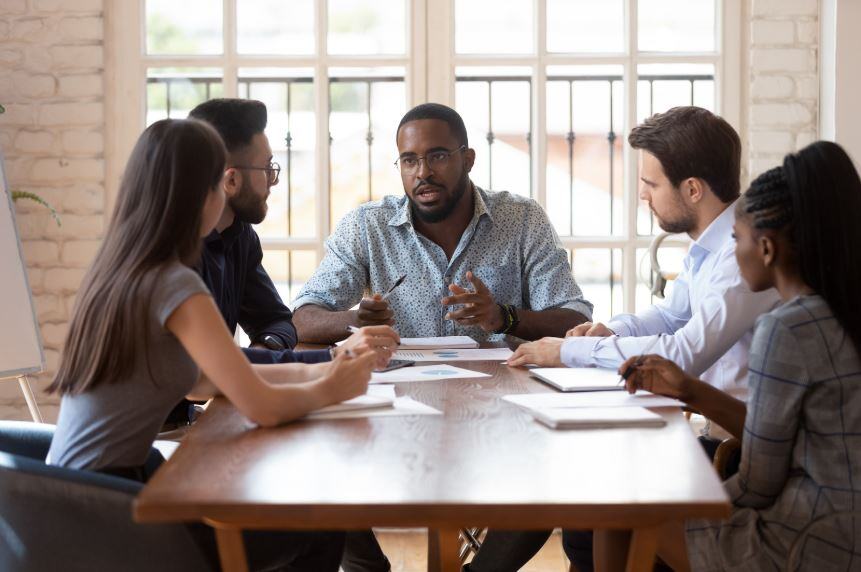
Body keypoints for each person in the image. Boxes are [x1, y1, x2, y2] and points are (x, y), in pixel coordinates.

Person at [46, 118, 376, 571]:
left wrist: (322, 368)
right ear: (197, 195)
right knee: (320, 521)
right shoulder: (175, 284)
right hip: (111, 513)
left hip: (72, 498)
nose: (224, 196)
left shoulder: (120, 269)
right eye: (217, 186)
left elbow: (204, 383)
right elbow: (261, 407)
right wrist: (334, 388)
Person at [468, 106, 780, 572]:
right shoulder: (710, 248)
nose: (641, 195)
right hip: (714, 436)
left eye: (651, 184)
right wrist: (611, 330)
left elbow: (685, 352)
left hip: (734, 453)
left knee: (586, 481)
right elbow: (673, 315)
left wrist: (568, 350)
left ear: (692, 189)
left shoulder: (740, 255)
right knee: (580, 491)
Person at [601, 140, 861, 570]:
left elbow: (759, 483)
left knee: (619, 501)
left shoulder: (786, 328)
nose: (732, 253)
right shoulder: (841, 311)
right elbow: (788, 439)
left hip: (807, 543)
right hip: (847, 529)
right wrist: (689, 390)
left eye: (737, 239)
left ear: (768, 249)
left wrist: (699, 498)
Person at [292, 103, 593, 344]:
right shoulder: (368, 226)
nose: (423, 173)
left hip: (499, 391)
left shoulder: (522, 218)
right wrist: (357, 321)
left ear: (468, 160)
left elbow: (576, 320)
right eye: (409, 160)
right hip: (401, 391)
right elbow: (301, 319)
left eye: (437, 156)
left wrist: (503, 317)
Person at [188, 98, 398, 367]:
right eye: (267, 168)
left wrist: (266, 352)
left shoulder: (240, 236)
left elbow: (278, 322)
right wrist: (334, 357)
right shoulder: (174, 254)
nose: (273, 181)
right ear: (231, 180)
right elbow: (205, 367)